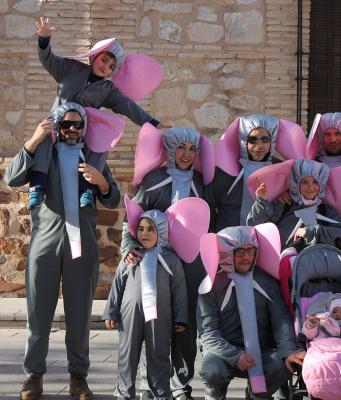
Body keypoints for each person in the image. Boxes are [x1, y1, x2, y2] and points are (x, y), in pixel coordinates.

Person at [4, 103, 121, 400]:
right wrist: (32, 140)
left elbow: (112, 198)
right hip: (45, 243)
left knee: (80, 315)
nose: (72, 130)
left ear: (83, 128)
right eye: (66, 125)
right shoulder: (44, 155)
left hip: (81, 245)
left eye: (77, 125)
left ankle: (78, 377)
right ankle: (34, 377)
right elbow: (12, 178)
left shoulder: (93, 158)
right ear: (58, 127)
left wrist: (101, 180)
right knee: (38, 314)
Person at [28, 17, 163, 209]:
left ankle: (87, 191)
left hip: (82, 131)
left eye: (111, 66)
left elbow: (128, 106)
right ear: (95, 56)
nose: (105, 67)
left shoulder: (108, 89)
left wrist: (153, 123)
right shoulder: (70, 68)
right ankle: (37, 187)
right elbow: (47, 58)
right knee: (42, 138)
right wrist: (44, 39)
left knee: (100, 145)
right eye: (104, 59)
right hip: (57, 124)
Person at [121, 125, 213, 400]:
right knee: (154, 322)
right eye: (180, 148)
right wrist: (130, 248)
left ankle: (180, 384)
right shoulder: (153, 180)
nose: (186, 154)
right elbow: (133, 220)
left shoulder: (204, 183)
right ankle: (149, 383)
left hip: (192, 263)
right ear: (170, 150)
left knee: (185, 326)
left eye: (192, 149)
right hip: (156, 263)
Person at [197, 225, 306, 400]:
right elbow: (208, 333)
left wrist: (288, 350)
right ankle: (216, 393)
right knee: (212, 370)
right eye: (239, 252)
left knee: (283, 365)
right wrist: (235, 355)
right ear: (226, 253)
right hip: (224, 353)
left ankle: (257, 394)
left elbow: (281, 320)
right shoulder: (212, 286)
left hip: (260, 352)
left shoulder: (266, 282)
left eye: (250, 251)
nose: (246, 257)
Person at [103, 211, 187, 400]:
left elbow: (179, 290)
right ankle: (124, 392)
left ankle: (161, 393)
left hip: (160, 316)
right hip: (129, 314)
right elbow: (118, 282)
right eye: (140, 229)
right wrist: (111, 311)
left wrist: (181, 317)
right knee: (127, 353)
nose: (145, 233)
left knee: (159, 353)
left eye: (151, 229)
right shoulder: (131, 257)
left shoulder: (170, 260)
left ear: (162, 232)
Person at [206, 114, 306, 231]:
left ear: (272, 140)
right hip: (228, 240)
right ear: (244, 140)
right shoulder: (225, 172)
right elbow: (209, 207)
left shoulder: (284, 172)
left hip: (268, 241)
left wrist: (281, 191)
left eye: (265, 139)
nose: (259, 146)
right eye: (253, 139)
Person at [247, 159, 341, 251]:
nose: (310, 187)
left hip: (316, 267)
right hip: (285, 265)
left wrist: (314, 232)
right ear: (296, 183)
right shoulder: (285, 204)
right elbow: (257, 227)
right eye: (305, 182)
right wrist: (261, 202)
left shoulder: (326, 210)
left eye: (315, 182)